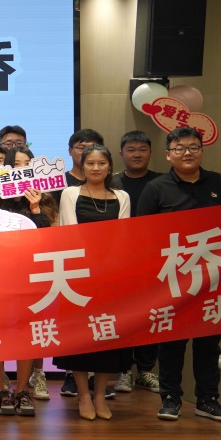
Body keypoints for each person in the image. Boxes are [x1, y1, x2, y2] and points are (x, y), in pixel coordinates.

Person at [137, 126, 221, 423]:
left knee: (209, 342)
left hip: (212, 275)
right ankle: (170, 398)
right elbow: (140, 233)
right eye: (180, 148)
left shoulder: (220, 183)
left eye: (193, 147)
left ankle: (207, 400)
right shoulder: (156, 188)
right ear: (168, 154)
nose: (187, 153)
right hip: (172, 277)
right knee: (172, 341)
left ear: (202, 151)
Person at [55, 144, 131, 420]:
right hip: (78, 275)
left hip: (111, 277)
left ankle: (100, 395)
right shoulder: (70, 193)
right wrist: (87, 267)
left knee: (106, 336)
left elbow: (123, 234)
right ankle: (83, 396)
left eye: (101, 163)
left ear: (110, 166)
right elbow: (69, 233)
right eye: (90, 163)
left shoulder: (121, 196)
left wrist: (109, 268)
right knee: (80, 337)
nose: (96, 168)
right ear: (82, 166)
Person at [0, 144, 56, 403]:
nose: (21, 169)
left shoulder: (44, 199)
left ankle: (22, 390)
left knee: (26, 331)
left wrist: (35, 208)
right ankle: (0, 389)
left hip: (30, 275)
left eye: (26, 164)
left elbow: (45, 237)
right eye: (16, 164)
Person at [115, 130, 163, 395]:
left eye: (142, 149)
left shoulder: (163, 181)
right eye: (131, 149)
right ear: (121, 153)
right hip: (119, 261)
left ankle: (145, 370)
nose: (137, 154)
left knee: (150, 314)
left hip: (153, 259)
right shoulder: (112, 182)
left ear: (151, 153)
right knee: (122, 316)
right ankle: (123, 370)